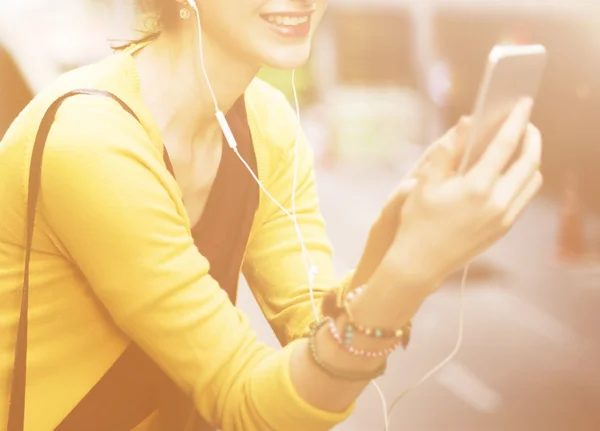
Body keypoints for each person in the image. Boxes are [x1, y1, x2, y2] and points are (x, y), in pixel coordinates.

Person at [0, 1, 542, 430]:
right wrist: (411, 272)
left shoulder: (266, 123)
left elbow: (316, 343)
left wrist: (398, 236)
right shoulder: (89, 141)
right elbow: (254, 406)